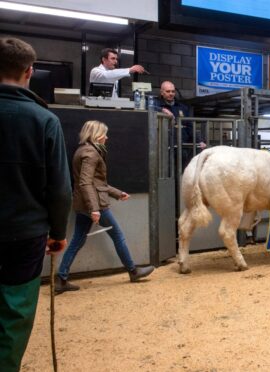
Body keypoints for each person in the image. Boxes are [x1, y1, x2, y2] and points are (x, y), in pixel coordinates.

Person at [0, 37, 72, 372]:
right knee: (14, 311)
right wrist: (57, 232)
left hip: (23, 232)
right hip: (24, 234)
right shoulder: (44, 120)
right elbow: (60, 188)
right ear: (30, 71)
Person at [56, 120, 155, 294]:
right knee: (118, 236)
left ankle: (61, 279)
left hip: (84, 204)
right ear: (97, 135)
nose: (107, 137)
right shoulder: (92, 153)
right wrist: (94, 209)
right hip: (96, 205)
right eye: (104, 134)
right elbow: (86, 183)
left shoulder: (83, 150)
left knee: (77, 240)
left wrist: (117, 193)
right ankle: (133, 271)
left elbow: (96, 183)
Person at [154, 81, 206, 169]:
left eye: (173, 91)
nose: (171, 94)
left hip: (181, 146)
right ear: (162, 92)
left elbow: (189, 126)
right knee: (166, 169)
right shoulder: (155, 103)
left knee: (183, 169)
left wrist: (199, 141)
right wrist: (162, 110)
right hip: (164, 146)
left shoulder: (182, 107)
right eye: (168, 91)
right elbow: (146, 107)